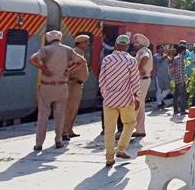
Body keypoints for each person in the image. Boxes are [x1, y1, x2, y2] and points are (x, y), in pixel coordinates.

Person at [30, 30, 85, 151]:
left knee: (43, 115)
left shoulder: (46, 50)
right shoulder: (67, 49)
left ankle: (39, 143)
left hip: (46, 86)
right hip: (62, 86)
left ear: (49, 39)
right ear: (60, 38)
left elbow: (33, 59)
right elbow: (82, 61)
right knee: (60, 115)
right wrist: (69, 70)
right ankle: (58, 140)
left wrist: (43, 68)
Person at [98, 34, 140, 167]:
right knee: (130, 123)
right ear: (127, 46)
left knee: (109, 130)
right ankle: (121, 149)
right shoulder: (131, 60)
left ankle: (109, 158)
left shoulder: (107, 59)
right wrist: (137, 96)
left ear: (116, 45)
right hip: (126, 99)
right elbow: (134, 81)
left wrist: (106, 95)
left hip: (109, 100)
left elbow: (102, 80)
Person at [62, 34, 90, 140]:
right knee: (69, 109)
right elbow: (67, 68)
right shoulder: (75, 53)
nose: (88, 44)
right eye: (86, 42)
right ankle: (64, 132)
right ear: (80, 43)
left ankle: (69, 130)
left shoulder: (80, 53)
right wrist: (69, 77)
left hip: (77, 85)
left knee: (74, 109)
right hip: (72, 85)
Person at [132, 33, 153, 138]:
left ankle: (133, 128)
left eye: (136, 42)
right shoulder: (142, 51)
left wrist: (140, 67)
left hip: (141, 80)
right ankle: (140, 129)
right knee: (140, 105)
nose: (134, 44)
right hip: (143, 80)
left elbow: (145, 57)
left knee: (137, 104)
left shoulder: (143, 51)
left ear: (141, 43)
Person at [169, 41, 191, 115]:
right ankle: (182, 110)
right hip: (181, 79)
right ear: (183, 51)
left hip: (176, 79)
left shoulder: (175, 58)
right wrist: (182, 80)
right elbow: (180, 70)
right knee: (182, 96)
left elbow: (174, 70)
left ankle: (175, 110)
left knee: (176, 95)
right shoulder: (181, 58)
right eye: (185, 50)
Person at [152, 45, 171, 110]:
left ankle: (160, 100)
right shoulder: (155, 56)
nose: (162, 50)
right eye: (161, 49)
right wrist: (167, 54)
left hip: (166, 75)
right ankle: (159, 103)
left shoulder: (166, 55)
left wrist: (173, 55)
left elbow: (170, 61)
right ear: (157, 50)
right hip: (158, 75)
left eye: (163, 49)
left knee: (168, 90)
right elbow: (160, 60)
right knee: (159, 90)